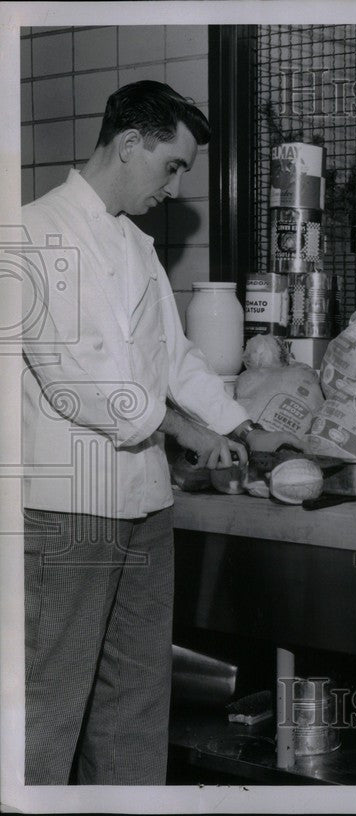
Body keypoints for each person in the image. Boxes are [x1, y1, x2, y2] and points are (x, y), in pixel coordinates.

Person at [19, 80, 301, 785]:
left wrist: (251, 427)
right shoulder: (28, 235)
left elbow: (176, 361)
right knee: (49, 700)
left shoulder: (137, 247)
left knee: (138, 698)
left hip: (144, 502)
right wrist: (184, 431)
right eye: (172, 166)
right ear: (128, 144)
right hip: (67, 508)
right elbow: (74, 379)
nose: (175, 187)